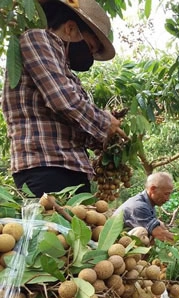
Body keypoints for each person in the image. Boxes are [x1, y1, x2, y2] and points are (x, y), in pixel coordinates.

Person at [1, 0, 122, 198]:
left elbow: (76, 123)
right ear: (71, 28)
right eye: (90, 47)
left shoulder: (64, 70)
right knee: (54, 228)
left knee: (79, 229)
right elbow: (63, 100)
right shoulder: (36, 39)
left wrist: (109, 138)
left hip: (68, 167)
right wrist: (105, 121)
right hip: (46, 165)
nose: (89, 55)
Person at [114, 172, 175, 243]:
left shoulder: (148, 203)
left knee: (158, 224)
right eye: (166, 194)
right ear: (153, 189)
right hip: (116, 245)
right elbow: (160, 235)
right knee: (141, 232)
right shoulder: (139, 206)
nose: (168, 198)